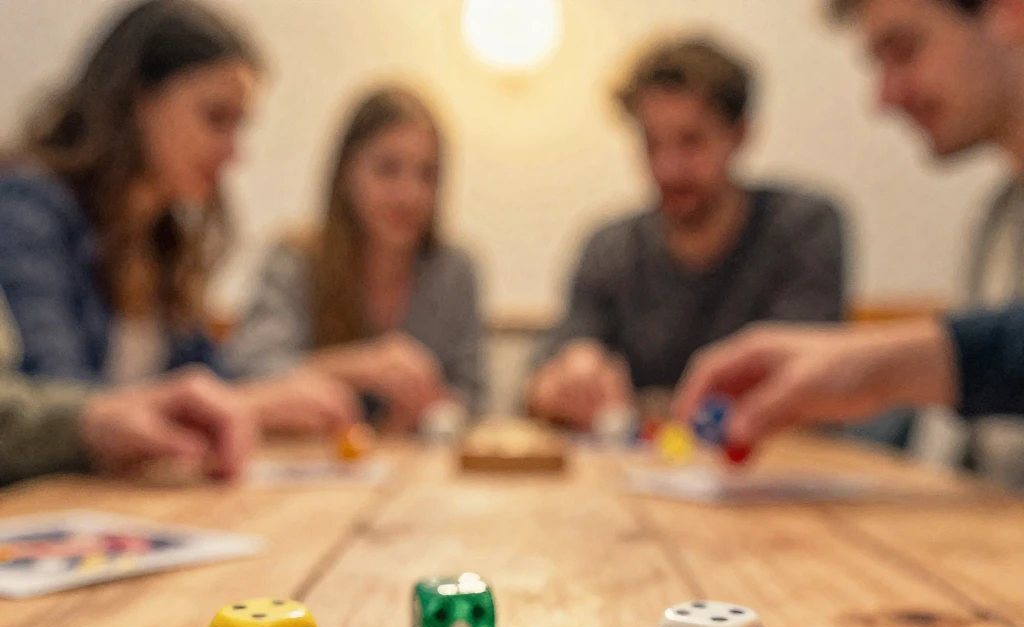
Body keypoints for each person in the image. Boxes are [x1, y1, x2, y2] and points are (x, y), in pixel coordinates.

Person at [674, 0, 1024, 450]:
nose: (885, 98)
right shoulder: (998, 222)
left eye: (905, 50)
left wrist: (887, 365)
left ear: (1011, 12)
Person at [0, 0, 356, 437]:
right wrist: (251, 404)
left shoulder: (164, 238)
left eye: (240, 125)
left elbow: (211, 377)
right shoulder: (27, 209)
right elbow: (57, 401)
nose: (233, 152)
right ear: (139, 101)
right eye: (216, 118)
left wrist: (277, 394)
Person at [528, 36, 847, 431]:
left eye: (691, 141)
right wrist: (567, 378)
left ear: (741, 135)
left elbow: (797, 389)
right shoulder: (608, 247)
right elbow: (542, 381)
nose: (668, 168)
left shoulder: (803, 228)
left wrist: (642, 408)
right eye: (652, 144)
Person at [225, 86, 484, 432]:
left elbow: (472, 395)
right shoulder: (296, 260)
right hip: (305, 454)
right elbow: (248, 370)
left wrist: (435, 410)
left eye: (427, 174)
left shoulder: (455, 271)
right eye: (388, 169)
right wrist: (362, 367)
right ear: (347, 172)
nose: (409, 194)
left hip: (413, 455)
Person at [1, 289, 255, 486]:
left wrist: (97, 418)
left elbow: (209, 373)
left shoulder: (171, 248)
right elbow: (54, 373)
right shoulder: (36, 239)